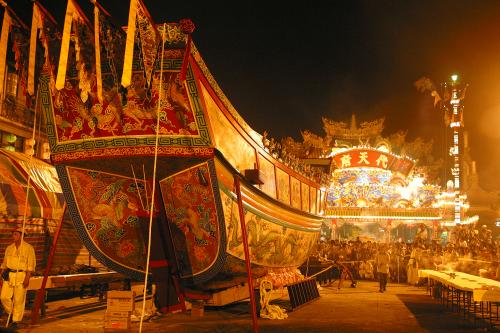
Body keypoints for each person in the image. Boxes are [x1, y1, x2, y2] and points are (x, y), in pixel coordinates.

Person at [0, 226, 36, 329]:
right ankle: (11, 313)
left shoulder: (29, 248)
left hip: (21, 275)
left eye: (16, 234)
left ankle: (16, 320)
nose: (13, 236)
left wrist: (27, 278)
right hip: (9, 275)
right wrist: (1, 275)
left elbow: (30, 265)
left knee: (19, 299)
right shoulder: (9, 248)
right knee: (4, 297)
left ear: (22, 235)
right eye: (13, 234)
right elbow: (4, 264)